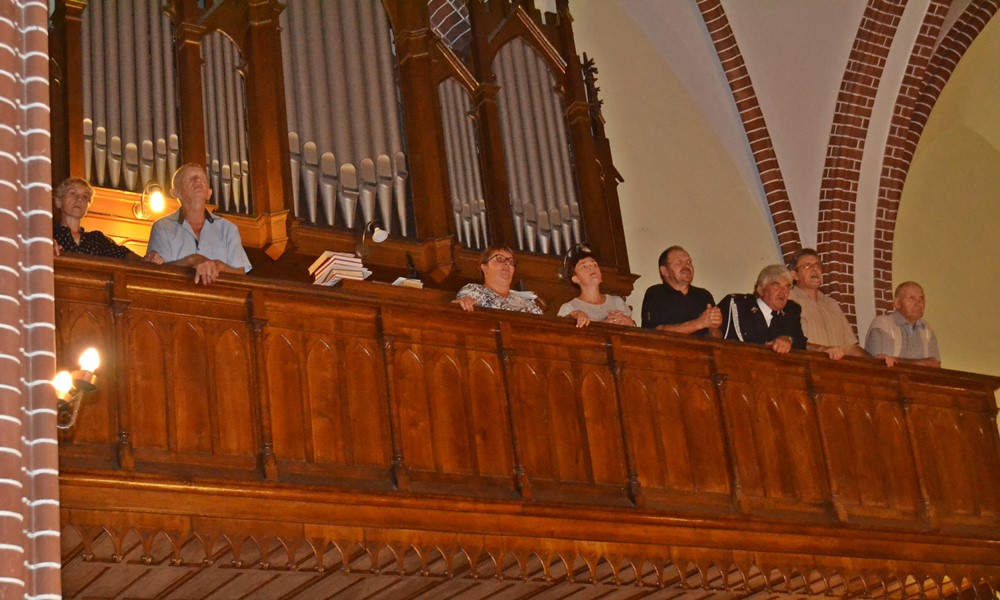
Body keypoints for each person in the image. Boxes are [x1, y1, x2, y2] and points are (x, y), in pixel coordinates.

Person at [147, 163, 252, 285]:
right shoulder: (162, 227)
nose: (197, 180)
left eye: (202, 178)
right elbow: (158, 273)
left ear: (209, 193)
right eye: (190, 178)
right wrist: (192, 260)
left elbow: (241, 275)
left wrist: (219, 265)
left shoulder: (229, 229)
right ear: (175, 192)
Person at [52, 177, 163, 264]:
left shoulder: (97, 239)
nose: (79, 199)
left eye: (85, 196)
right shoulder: (50, 235)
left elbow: (124, 254)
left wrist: (147, 259)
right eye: (72, 193)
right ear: (58, 202)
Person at [788, 248, 867, 360]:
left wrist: (876, 360)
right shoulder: (788, 300)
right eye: (807, 266)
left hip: (836, 369)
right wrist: (822, 350)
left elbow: (850, 347)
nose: (815, 269)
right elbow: (790, 341)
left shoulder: (831, 304)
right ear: (794, 275)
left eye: (818, 266)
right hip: (805, 366)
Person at [718, 264, 807, 354]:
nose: (783, 292)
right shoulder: (737, 304)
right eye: (776, 286)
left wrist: (788, 339)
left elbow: (800, 343)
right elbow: (713, 336)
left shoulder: (791, 311)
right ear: (760, 289)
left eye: (787, 287)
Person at [641, 246, 721, 336]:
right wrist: (699, 323)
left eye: (689, 262)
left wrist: (714, 326)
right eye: (678, 262)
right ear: (664, 271)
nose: (686, 266)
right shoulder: (655, 293)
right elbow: (654, 333)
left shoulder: (704, 295)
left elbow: (717, 338)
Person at [865, 281, 940, 368]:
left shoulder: (926, 329)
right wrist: (922, 363)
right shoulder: (883, 324)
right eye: (912, 298)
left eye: (921, 298)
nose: (919, 303)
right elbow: (883, 364)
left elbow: (934, 365)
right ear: (897, 303)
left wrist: (898, 361)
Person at [556, 247, 635, 327]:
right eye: (584, 266)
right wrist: (602, 325)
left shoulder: (617, 302)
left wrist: (630, 323)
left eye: (594, 265)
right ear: (575, 279)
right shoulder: (570, 308)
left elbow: (634, 331)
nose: (591, 267)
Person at [453, 245, 542, 314]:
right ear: (484, 268)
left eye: (511, 261)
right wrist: (464, 302)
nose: (507, 263)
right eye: (500, 259)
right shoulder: (473, 291)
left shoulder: (527, 303)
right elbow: (462, 305)